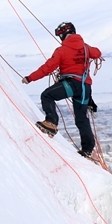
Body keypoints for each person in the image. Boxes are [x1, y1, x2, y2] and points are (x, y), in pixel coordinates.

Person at [22, 22, 103, 160]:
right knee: (82, 118)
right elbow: (98, 53)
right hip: (85, 88)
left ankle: (51, 122)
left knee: (47, 95)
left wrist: (30, 78)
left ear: (63, 35)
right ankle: (87, 150)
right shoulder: (86, 48)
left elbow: (47, 68)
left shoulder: (61, 51)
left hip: (71, 84)